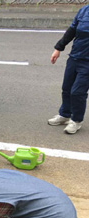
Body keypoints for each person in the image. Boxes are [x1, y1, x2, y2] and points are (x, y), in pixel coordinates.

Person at [48, 5, 89, 134]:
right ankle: (65, 115)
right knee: (67, 87)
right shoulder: (84, 10)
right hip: (75, 57)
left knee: (77, 92)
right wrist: (58, 48)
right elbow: (71, 30)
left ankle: (76, 120)